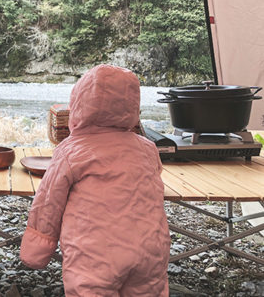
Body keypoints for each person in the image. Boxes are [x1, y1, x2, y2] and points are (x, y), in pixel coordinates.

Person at [20, 64, 170, 296]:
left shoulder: (71, 150)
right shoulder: (148, 149)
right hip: (150, 249)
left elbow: (48, 203)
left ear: (79, 104)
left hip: (95, 253)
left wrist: (37, 249)